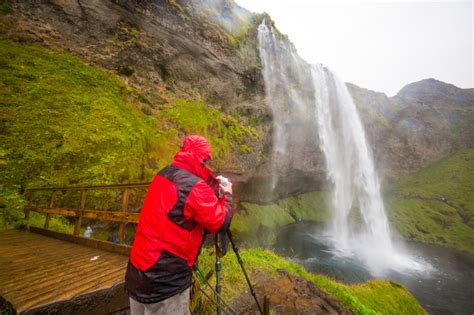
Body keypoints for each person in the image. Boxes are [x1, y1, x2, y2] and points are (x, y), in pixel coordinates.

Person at [125, 135, 233, 315]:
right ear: (201, 159)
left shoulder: (163, 174)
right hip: (165, 280)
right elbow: (220, 223)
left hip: (138, 270)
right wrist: (227, 195)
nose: (207, 166)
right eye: (205, 161)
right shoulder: (195, 187)